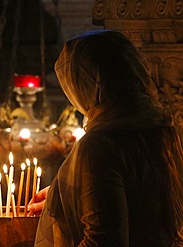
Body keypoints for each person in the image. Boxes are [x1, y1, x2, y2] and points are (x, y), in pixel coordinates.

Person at [28, 30, 183, 246]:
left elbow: (103, 240)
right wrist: (66, 199)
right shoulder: (164, 129)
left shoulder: (100, 144)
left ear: (83, 84)